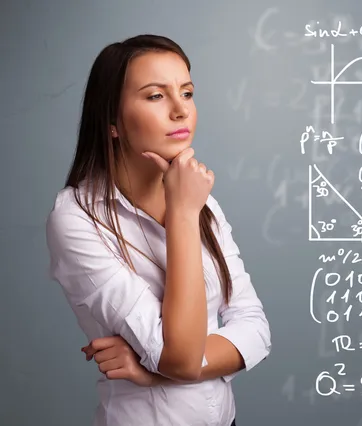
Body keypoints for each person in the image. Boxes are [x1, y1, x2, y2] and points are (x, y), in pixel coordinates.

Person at [45, 34, 272, 426]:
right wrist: (182, 215)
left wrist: (153, 371)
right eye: (155, 96)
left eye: (186, 92)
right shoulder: (77, 217)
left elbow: (256, 328)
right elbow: (180, 358)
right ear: (112, 122)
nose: (180, 111)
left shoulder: (200, 200)